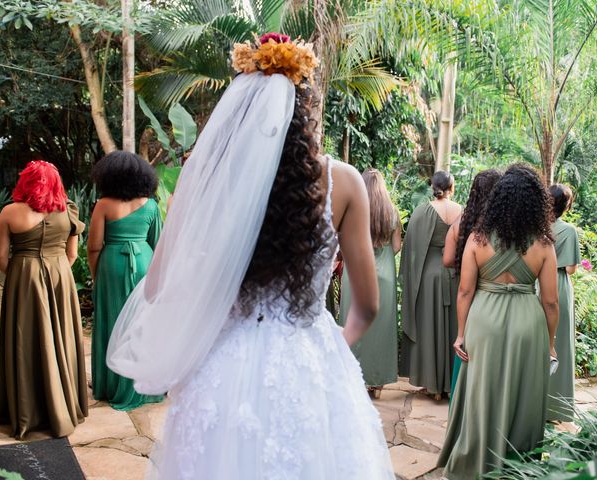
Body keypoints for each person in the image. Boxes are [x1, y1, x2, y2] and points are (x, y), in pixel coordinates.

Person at [106, 34, 395, 479]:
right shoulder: (345, 182)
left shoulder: (205, 181)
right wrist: (337, 340)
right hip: (308, 363)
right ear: (305, 108)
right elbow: (368, 305)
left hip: (223, 364)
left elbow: (160, 284)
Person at [438, 163, 559, 478]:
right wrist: (551, 343)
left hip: (484, 321)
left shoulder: (477, 239)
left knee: (483, 390)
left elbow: (465, 291)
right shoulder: (544, 244)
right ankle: (519, 466)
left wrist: (461, 334)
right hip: (527, 324)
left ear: (500, 199)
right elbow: (550, 301)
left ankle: (477, 460)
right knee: (524, 394)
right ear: (535, 201)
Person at [0, 161, 88, 439]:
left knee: (23, 339)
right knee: (60, 338)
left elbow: (1, 257)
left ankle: (27, 410)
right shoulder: (67, 211)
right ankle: (62, 405)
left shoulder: (9, 212)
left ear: (24, 181)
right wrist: (56, 272)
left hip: (23, 278)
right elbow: (72, 254)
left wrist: (19, 275)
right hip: (60, 275)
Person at [88, 151, 164, 411]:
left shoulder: (103, 204)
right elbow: (158, 243)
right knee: (142, 323)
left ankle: (111, 384)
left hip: (111, 264)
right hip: (143, 261)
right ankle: (142, 382)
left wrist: (99, 276)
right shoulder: (151, 205)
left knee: (112, 319)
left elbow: (94, 247)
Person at [339, 168, 402, 398]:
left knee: (352, 323)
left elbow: (343, 241)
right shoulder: (392, 212)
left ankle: (354, 377)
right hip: (384, 275)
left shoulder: (355, 210)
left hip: (355, 273)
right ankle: (377, 383)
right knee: (381, 329)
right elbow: (396, 246)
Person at [399, 171, 462, 398]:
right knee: (454, 328)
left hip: (428, 275)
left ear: (433, 187)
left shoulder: (422, 212)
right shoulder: (462, 212)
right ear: (452, 188)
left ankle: (432, 385)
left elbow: (410, 249)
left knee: (430, 326)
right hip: (455, 274)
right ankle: (450, 384)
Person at [442, 169, 502, 397]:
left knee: (464, 345)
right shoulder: (502, 226)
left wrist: (463, 261)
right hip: (491, 294)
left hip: (467, 292)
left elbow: (447, 259)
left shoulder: (463, 222)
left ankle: (461, 398)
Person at [546, 183, 580, 422]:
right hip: (558, 286)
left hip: (537, 284)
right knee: (561, 345)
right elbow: (570, 268)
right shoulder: (568, 231)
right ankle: (557, 409)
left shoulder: (535, 228)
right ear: (566, 206)